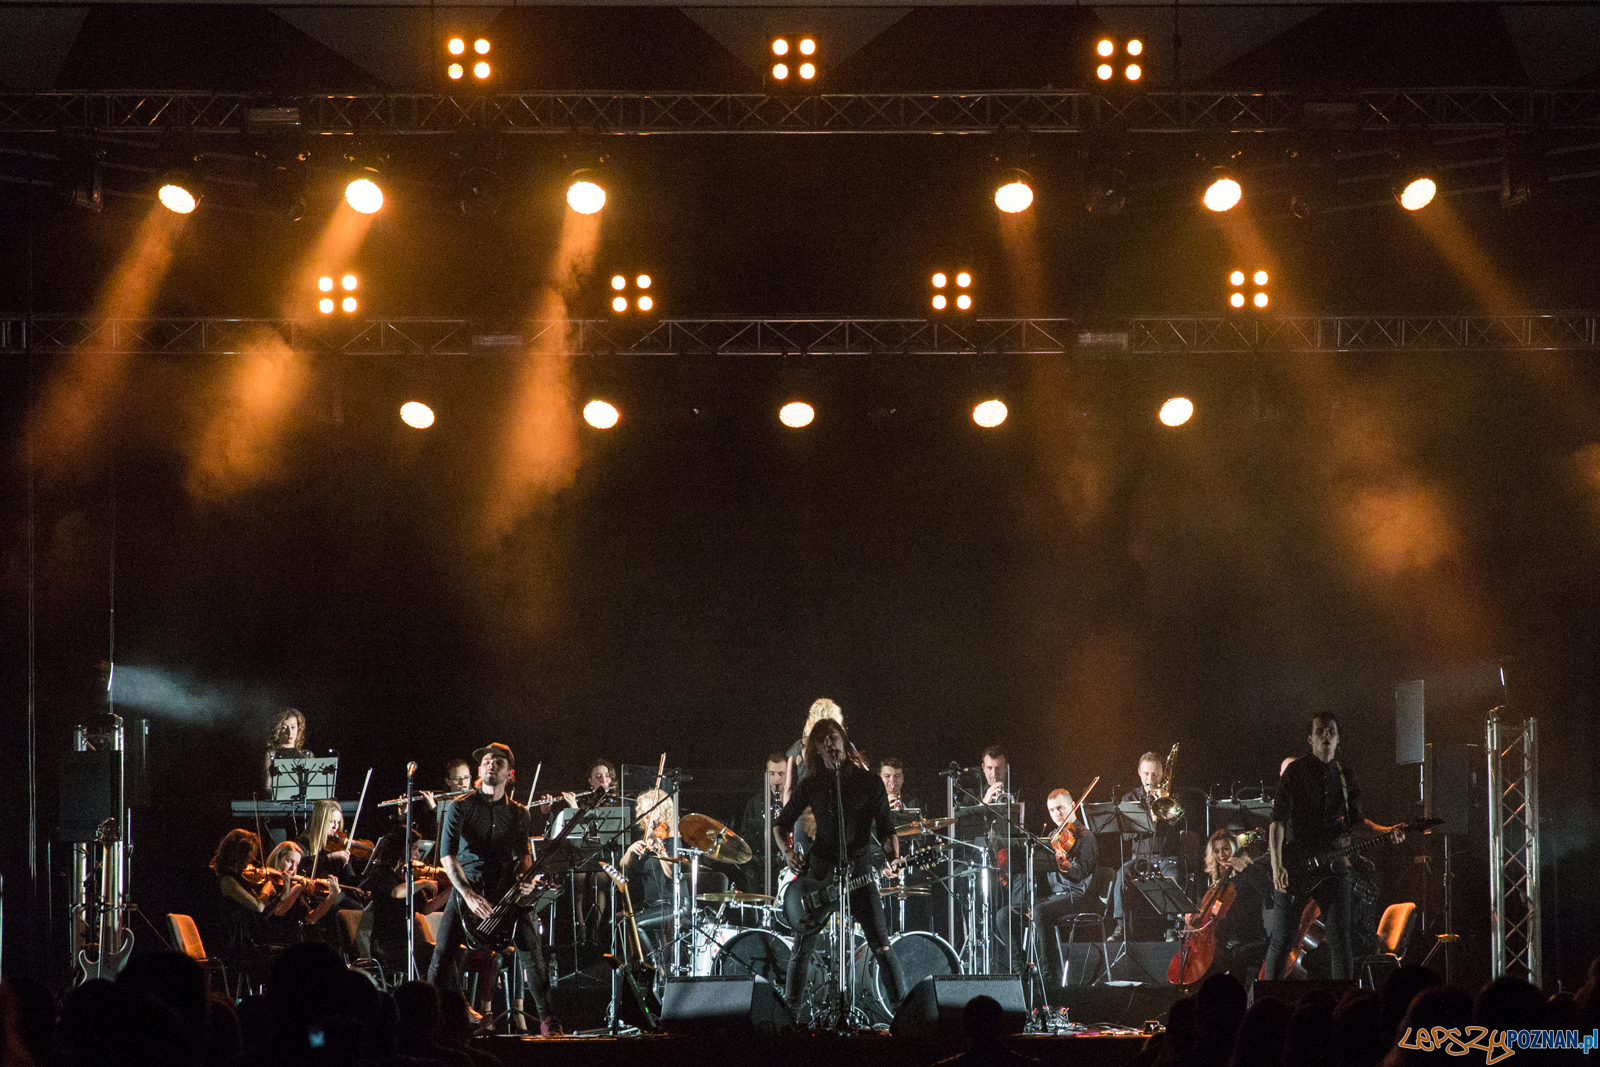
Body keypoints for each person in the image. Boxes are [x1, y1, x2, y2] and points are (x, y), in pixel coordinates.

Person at [774, 718, 908, 1017]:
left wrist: (893, 859)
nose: (829, 744)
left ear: (844, 742)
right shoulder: (811, 784)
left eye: (833, 737)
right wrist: (787, 851)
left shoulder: (869, 782)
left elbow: (887, 830)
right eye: (822, 740)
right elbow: (781, 823)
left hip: (859, 871)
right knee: (802, 948)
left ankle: (904, 1016)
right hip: (820, 872)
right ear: (817, 750)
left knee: (882, 945)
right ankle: (789, 1017)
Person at [428, 743, 559, 1036]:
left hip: (506, 890)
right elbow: (447, 856)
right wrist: (467, 894)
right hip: (468, 889)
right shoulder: (460, 806)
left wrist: (526, 878)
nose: (491, 765)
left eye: (498, 762)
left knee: (532, 952)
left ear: (509, 773)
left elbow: (524, 856)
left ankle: (549, 1021)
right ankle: (428, 1022)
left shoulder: (519, 813)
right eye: (487, 761)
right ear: (479, 769)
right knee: (442, 955)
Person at [1264, 713, 1404, 981]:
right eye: (1320, 731)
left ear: (1339, 739)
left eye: (1331, 731)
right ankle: (1267, 997)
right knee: (1284, 938)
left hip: (1333, 865)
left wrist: (1388, 831)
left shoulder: (1345, 775)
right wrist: (1277, 865)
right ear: (1310, 739)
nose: (1326, 735)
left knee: (1341, 940)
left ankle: (1345, 999)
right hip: (1296, 864)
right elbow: (1277, 821)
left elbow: (1357, 822)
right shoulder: (1295, 772)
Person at [1110, 750, 1186, 941]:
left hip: (1166, 856)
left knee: (1174, 875)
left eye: (1155, 774)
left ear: (1163, 775)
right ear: (1139, 772)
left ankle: (1172, 928)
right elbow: (1126, 835)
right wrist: (1146, 821)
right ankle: (1121, 928)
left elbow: (1182, 825)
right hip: (1141, 858)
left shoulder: (1173, 797)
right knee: (1122, 874)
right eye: (1146, 774)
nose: (1150, 779)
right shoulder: (1130, 799)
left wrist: (1166, 808)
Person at [1033, 788, 1100, 1000]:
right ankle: (1021, 972)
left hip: (1079, 897)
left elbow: (1080, 874)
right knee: (1006, 915)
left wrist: (1065, 865)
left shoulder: (1086, 838)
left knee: (1040, 912)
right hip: (1055, 896)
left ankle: (1050, 976)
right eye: (1052, 810)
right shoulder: (1054, 838)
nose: (1057, 814)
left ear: (1072, 806)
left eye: (1060, 808)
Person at [1179, 830, 1272, 981]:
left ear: (1235, 849)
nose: (1221, 855)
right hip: (1223, 939)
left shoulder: (1250, 872)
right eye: (1216, 851)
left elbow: (1268, 891)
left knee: (1215, 963)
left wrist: (1245, 869)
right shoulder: (1219, 880)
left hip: (1248, 938)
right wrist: (1194, 916)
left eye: (1226, 849)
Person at [362, 828, 439, 977]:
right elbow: (396, 892)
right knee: (439, 954)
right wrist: (423, 882)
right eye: (414, 848)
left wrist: (453, 890)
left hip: (407, 942)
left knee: (447, 952)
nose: (418, 854)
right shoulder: (380, 871)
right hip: (386, 945)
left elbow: (426, 908)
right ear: (400, 848)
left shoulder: (406, 876)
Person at [262, 708, 311, 790]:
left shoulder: (306, 755)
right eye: (284, 728)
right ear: (277, 730)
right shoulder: (271, 754)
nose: (290, 732)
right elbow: (268, 786)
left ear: (298, 728)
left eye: (293, 727)